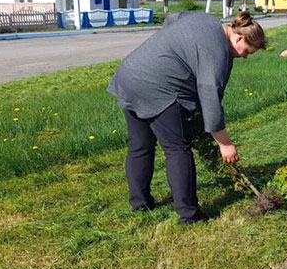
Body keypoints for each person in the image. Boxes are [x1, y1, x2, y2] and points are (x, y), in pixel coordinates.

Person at [107, 12, 266, 225]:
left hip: (130, 76)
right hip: (160, 90)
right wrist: (225, 144)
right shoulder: (217, 52)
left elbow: (172, 19)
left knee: (140, 146)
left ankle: (140, 204)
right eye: (247, 51)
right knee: (177, 149)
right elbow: (210, 96)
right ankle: (189, 215)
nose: (245, 56)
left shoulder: (206, 19)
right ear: (239, 38)